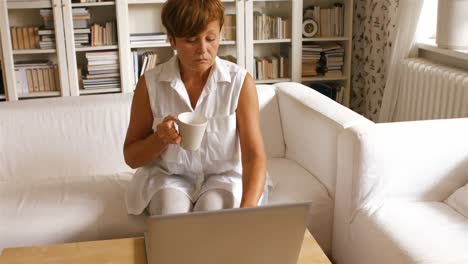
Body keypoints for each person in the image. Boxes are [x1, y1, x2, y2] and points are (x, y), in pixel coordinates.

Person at [124, 0, 271, 216]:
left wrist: (246, 212)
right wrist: (159, 139)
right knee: (169, 210)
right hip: (168, 179)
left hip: (222, 179)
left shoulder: (239, 82)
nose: (203, 49)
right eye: (191, 40)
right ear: (172, 40)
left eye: (211, 38)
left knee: (213, 213)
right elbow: (132, 158)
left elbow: (253, 156)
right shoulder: (150, 84)